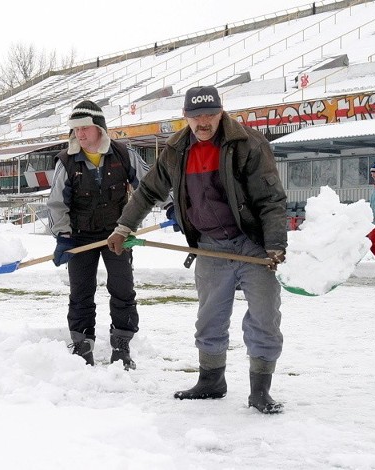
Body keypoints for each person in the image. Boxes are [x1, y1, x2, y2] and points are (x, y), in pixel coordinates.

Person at [107, 86, 288, 414]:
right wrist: (124, 226)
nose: (203, 122)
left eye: (210, 114)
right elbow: (148, 191)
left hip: (253, 244)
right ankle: (212, 380)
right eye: (196, 116)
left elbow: (270, 200)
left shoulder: (248, 144)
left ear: (222, 111)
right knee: (209, 318)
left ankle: (260, 390)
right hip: (210, 247)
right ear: (185, 117)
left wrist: (275, 245)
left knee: (264, 317)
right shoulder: (177, 149)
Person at [47, 100, 152, 370]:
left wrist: (174, 205)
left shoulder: (122, 154)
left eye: (85, 128)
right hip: (79, 237)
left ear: (99, 128)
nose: (79, 134)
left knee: (122, 288)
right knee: (81, 292)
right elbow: (57, 204)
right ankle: (82, 347)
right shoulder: (66, 161)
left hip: (118, 232)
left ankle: (122, 346)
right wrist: (63, 237)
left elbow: (150, 187)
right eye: (75, 129)